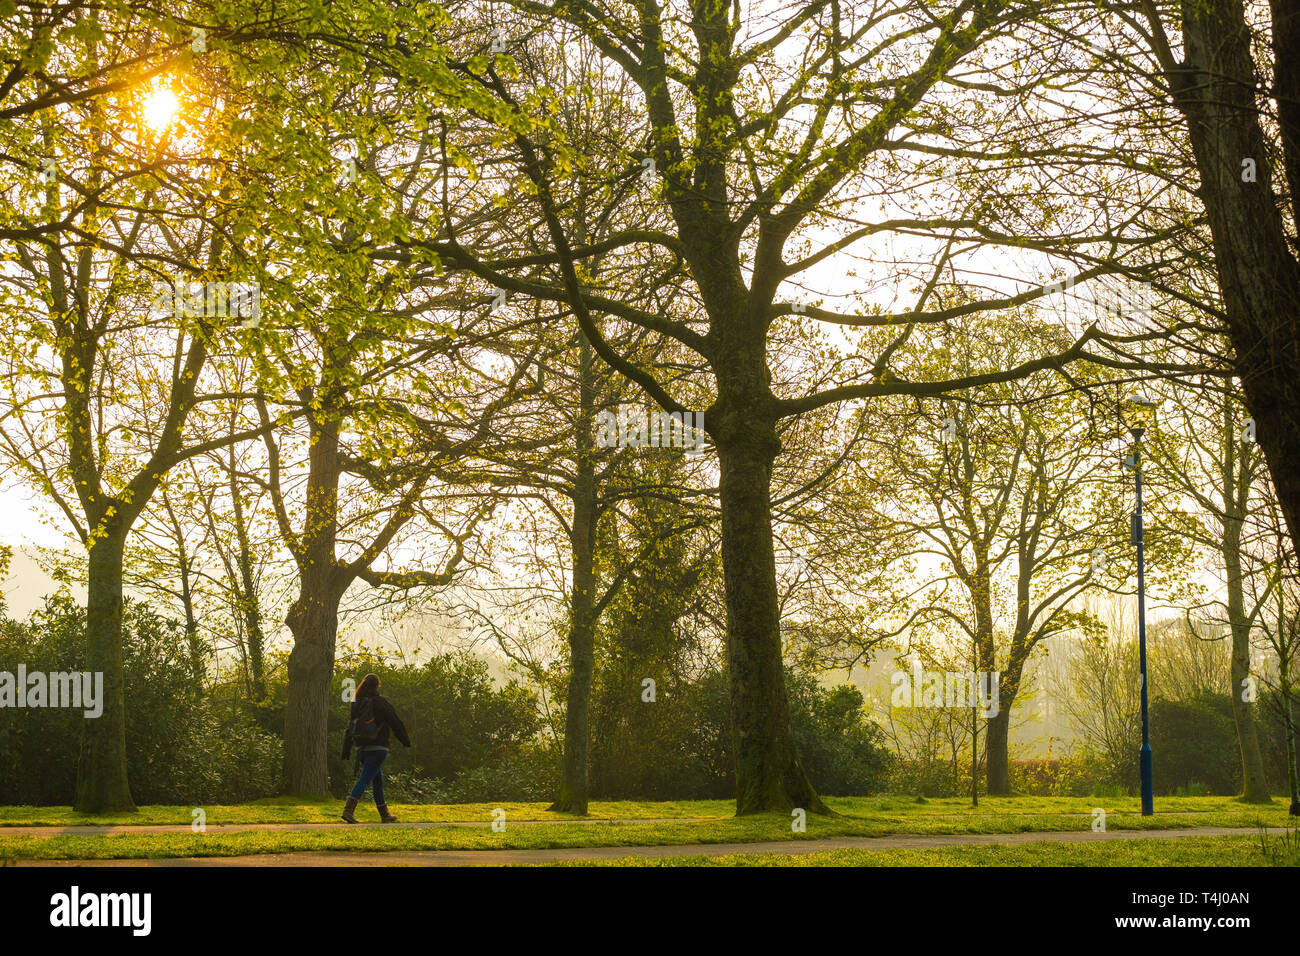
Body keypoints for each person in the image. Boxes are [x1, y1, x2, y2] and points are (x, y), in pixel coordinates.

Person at [341, 674, 411, 823]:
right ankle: (348, 811)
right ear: (377, 685)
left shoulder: (356, 703)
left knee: (377, 780)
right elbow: (395, 721)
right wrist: (405, 741)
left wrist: (346, 751)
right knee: (365, 778)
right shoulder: (380, 703)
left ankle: (384, 815)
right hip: (378, 747)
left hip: (361, 748)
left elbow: (350, 727)